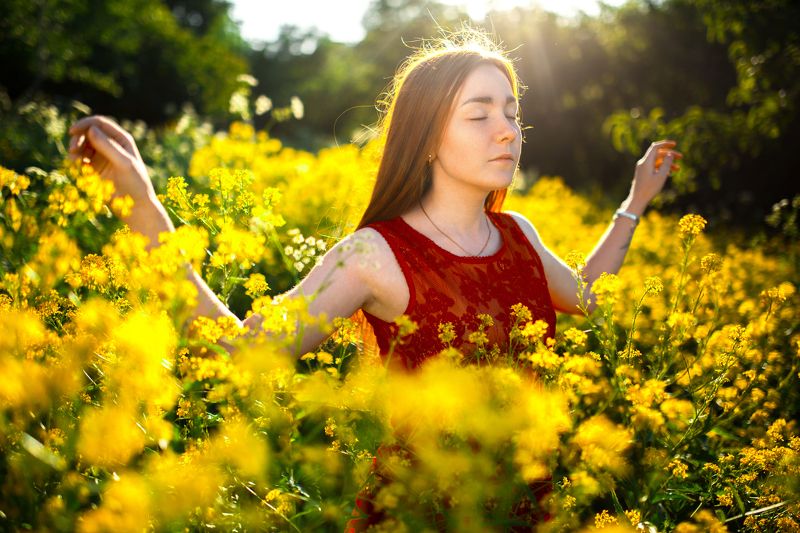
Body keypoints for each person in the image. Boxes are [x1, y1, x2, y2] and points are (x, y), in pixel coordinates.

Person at [68, 31, 680, 529]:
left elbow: (589, 298)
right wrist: (143, 206)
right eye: (479, 113)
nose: (507, 130)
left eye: (513, 113)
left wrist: (635, 199)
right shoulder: (373, 254)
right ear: (427, 137)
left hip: (529, 510)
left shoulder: (518, 235)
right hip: (418, 515)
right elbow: (244, 351)